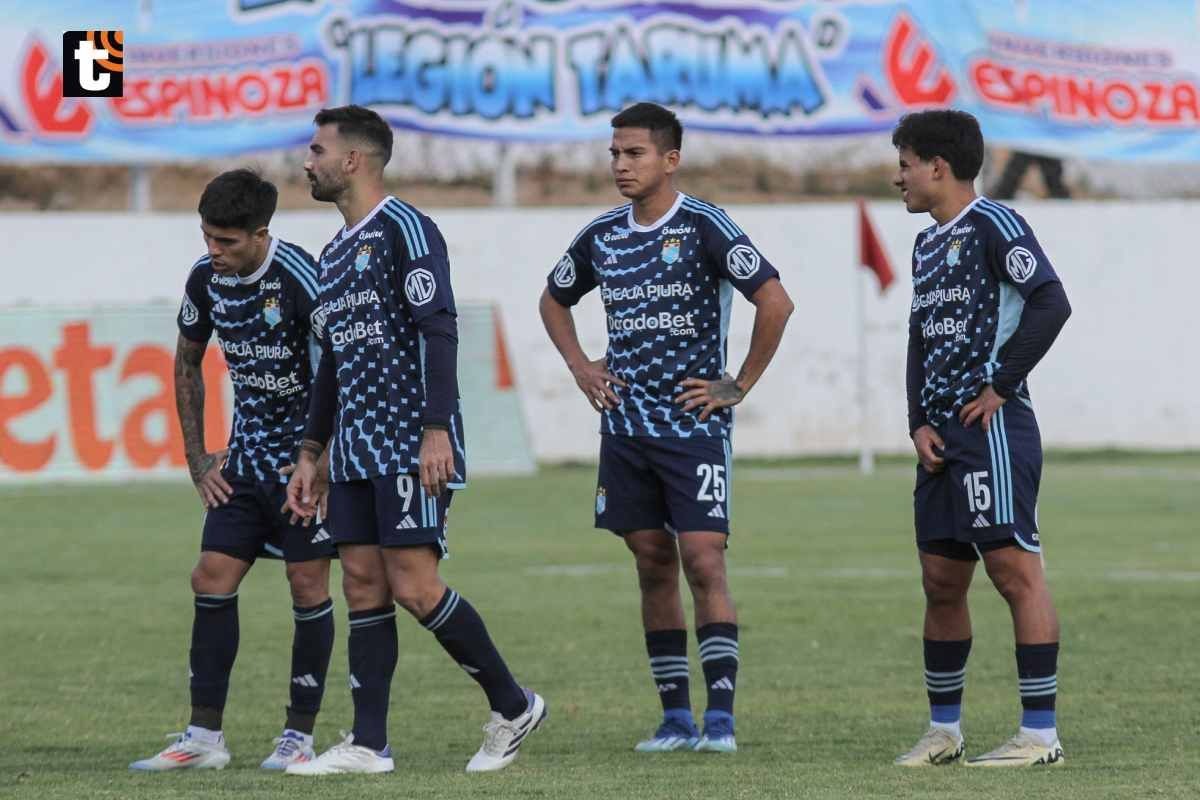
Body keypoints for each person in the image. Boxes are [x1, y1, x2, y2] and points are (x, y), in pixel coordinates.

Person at [284, 104, 545, 776]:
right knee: (362, 585)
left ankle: (514, 705)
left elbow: (439, 330)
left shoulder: (407, 229)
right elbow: (332, 361)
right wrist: (312, 451)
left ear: (352, 160)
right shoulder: (333, 253)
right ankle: (369, 745)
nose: (306, 162)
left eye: (316, 151)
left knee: (416, 586)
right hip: (355, 449)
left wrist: (435, 430)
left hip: (407, 439)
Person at [539, 102, 793, 754]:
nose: (621, 165)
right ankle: (676, 720)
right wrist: (581, 366)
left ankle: (721, 722)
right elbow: (553, 299)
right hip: (625, 429)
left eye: (635, 154)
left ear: (670, 159)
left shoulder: (705, 225)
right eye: (614, 154)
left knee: (703, 559)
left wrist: (738, 384)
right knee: (652, 563)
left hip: (692, 429)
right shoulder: (602, 236)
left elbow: (775, 300)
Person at [131, 169, 335, 771]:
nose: (213, 251)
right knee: (210, 577)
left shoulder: (301, 278)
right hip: (243, 463)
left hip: (303, 463)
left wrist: (320, 459)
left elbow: (339, 369)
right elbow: (186, 362)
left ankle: (299, 737)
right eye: (206, 237)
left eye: (225, 241)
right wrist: (198, 459)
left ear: (260, 234)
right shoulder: (205, 279)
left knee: (307, 584)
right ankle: (203, 737)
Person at [891, 109, 1071, 767]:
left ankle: (1040, 737)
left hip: (992, 430)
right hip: (942, 438)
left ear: (937, 167)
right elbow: (919, 337)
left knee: (1013, 571)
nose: (898, 178)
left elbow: (1051, 302)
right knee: (940, 579)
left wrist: (1000, 382)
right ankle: (945, 731)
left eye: (905, 165)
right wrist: (917, 420)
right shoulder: (926, 244)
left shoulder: (997, 224)